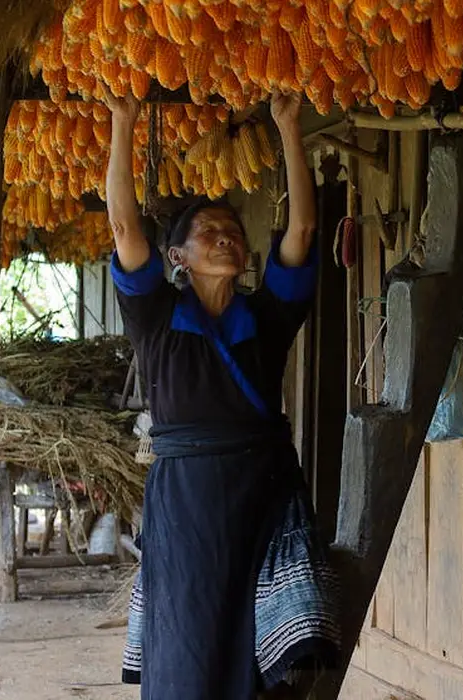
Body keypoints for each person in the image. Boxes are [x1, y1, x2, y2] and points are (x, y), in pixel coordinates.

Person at [103, 90, 340, 700]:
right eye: (209, 231)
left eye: (233, 231)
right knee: (185, 644)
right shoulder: (156, 316)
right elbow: (126, 226)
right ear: (177, 256)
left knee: (262, 656)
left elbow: (305, 228)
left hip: (260, 500)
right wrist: (123, 123)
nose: (226, 237)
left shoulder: (266, 318)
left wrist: (289, 127)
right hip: (185, 508)